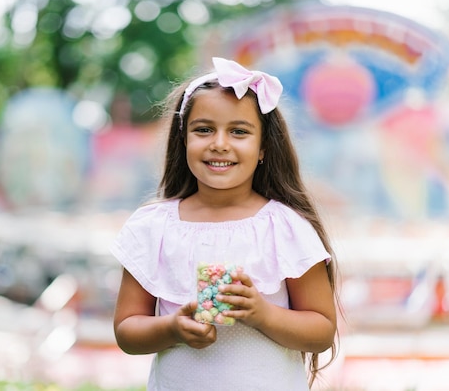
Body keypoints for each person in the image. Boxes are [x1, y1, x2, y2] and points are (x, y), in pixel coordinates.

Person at [111, 57, 339, 390]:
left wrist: (262, 313)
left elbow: (321, 331)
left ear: (263, 148)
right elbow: (127, 331)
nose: (219, 143)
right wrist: (172, 328)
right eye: (203, 129)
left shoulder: (284, 227)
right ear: (184, 139)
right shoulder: (153, 228)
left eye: (239, 132)